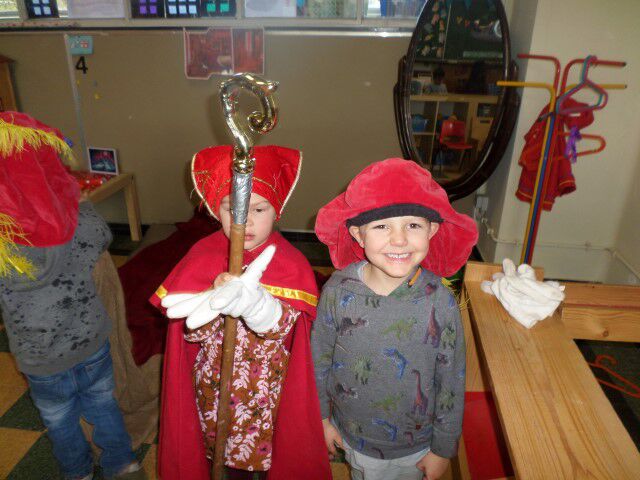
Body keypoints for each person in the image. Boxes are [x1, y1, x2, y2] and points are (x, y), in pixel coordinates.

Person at [149, 145, 330, 480]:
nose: (244, 220)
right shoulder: (202, 254)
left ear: (277, 211)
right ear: (216, 211)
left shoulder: (290, 262)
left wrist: (260, 307)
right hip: (214, 384)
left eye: (259, 209)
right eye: (232, 209)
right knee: (217, 451)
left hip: (264, 391)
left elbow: (289, 330)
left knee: (258, 455)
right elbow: (190, 333)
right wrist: (211, 300)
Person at [312, 158, 478, 480]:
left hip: (415, 447)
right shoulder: (336, 291)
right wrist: (320, 419)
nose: (399, 240)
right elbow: (318, 359)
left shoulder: (441, 303)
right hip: (352, 434)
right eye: (382, 226)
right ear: (358, 235)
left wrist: (443, 448)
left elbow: (451, 380)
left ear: (432, 230)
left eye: (413, 225)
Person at [0, 112, 145, 480]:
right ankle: (122, 464)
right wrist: (76, 203)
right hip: (91, 341)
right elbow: (101, 236)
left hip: (41, 358)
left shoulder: (4, 244)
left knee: (59, 419)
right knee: (103, 404)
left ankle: (77, 472)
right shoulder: (74, 217)